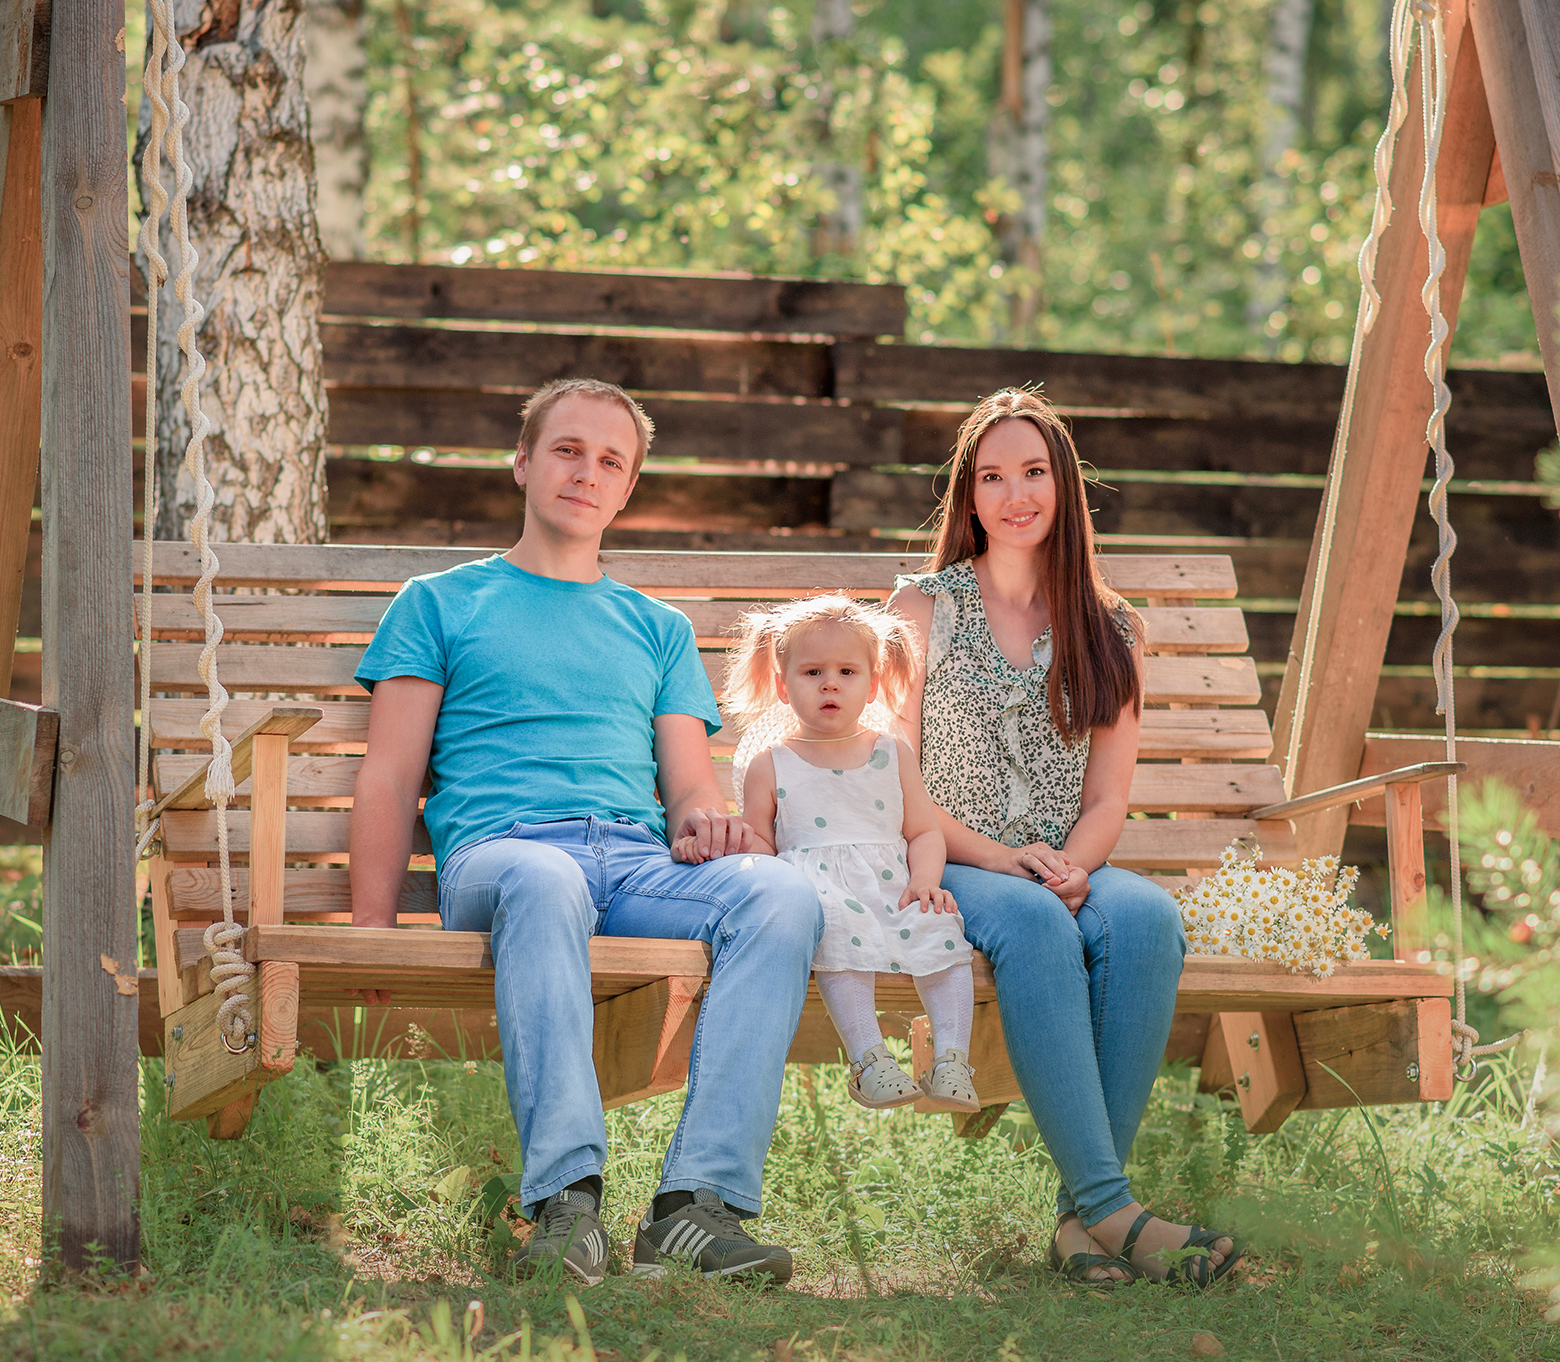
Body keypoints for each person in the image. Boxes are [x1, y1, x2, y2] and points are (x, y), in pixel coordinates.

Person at [348, 377, 821, 1288]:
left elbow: (689, 785)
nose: (586, 472)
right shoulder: (440, 603)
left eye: (611, 461)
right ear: (524, 463)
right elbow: (391, 775)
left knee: (779, 895)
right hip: (506, 857)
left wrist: (702, 819)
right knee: (546, 878)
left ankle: (695, 1208)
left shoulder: (657, 628)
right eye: (567, 450)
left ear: (628, 488)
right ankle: (568, 1206)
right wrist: (373, 932)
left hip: (636, 865)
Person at [886, 387, 1243, 1288]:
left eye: (1034, 472)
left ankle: (1082, 1228)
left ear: (1064, 486)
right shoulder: (923, 608)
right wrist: (1006, 861)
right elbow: (896, 776)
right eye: (992, 476)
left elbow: (1109, 796)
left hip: (1065, 859)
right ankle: (1113, 1210)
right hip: (949, 855)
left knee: (1148, 918)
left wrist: (1075, 867)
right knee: (1038, 924)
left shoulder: (1111, 627)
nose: (1015, 494)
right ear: (969, 496)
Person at [704, 595, 979, 1113]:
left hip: (892, 887)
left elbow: (924, 831)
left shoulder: (892, 753)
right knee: (835, 932)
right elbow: (762, 844)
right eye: (812, 672)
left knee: (940, 930)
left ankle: (951, 1059)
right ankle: (870, 1060)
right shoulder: (771, 764)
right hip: (819, 894)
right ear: (783, 686)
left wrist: (925, 881)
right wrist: (738, 847)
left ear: (872, 685)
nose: (830, 684)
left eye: (847, 672)